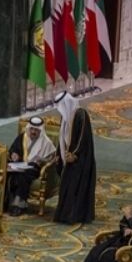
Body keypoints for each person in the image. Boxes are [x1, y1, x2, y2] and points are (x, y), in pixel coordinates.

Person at [52, 91, 97, 224]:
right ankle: (64, 214)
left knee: (75, 187)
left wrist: (75, 154)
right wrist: (58, 154)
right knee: (66, 186)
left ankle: (74, 216)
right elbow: (62, 137)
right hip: (68, 158)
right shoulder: (65, 116)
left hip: (80, 159)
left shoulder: (81, 114)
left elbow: (84, 138)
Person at [5, 116, 56, 216]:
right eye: (31, 129)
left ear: (40, 130)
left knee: (23, 176)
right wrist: (14, 155)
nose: (33, 132)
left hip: (34, 169)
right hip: (19, 165)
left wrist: (42, 160)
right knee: (8, 172)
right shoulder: (23, 137)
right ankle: (7, 202)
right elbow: (14, 149)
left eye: (36, 130)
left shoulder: (46, 143)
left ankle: (18, 204)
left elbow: (53, 159)